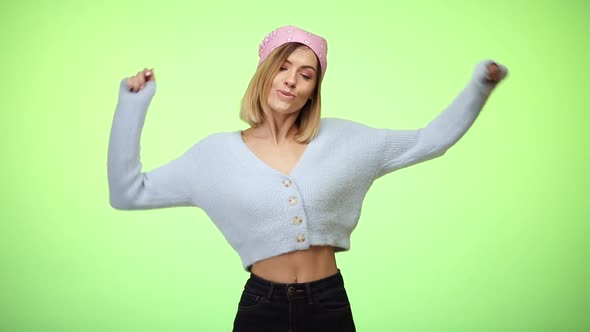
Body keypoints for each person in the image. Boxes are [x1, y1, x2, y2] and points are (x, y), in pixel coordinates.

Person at [108, 25, 508, 332]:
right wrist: (133, 106)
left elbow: (429, 141)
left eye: (305, 73)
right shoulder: (213, 155)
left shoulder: (348, 141)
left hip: (329, 303)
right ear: (264, 73)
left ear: (314, 89)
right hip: (260, 307)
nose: (290, 80)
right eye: (281, 67)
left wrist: (480, 84)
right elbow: (128, 193)